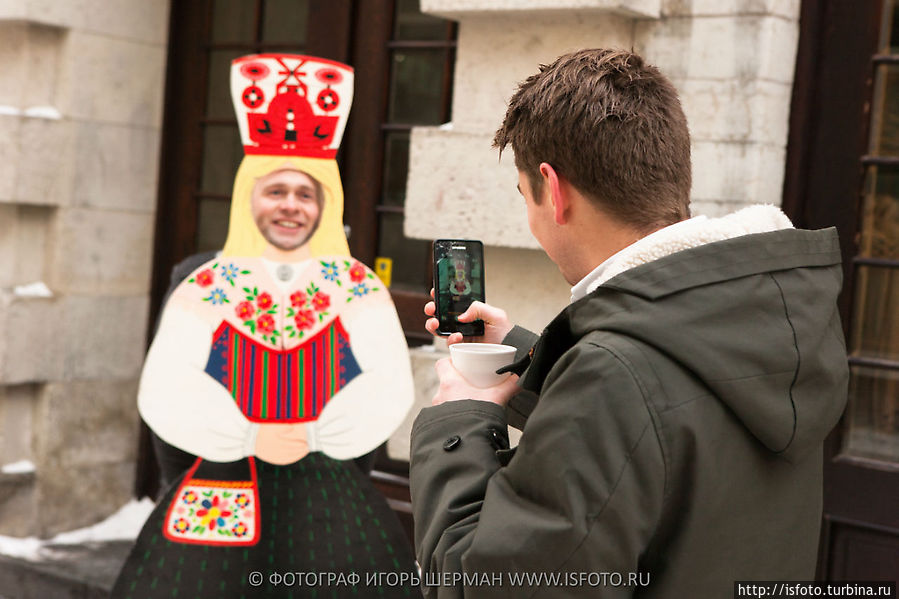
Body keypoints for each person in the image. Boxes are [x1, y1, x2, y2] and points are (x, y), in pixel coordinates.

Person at [410, 48, 849, 598]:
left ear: (555, 189)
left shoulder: (612, 374)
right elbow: (662, 425)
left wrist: (458, 424)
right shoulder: (764, 317)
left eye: (526, 196)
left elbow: (483, 585)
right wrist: (527, 355)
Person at [112, 54, 418, 598]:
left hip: (328, 494)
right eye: (275, 191)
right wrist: (248, 435)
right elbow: (167, 386)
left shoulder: (357, 286)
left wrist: (318, 434)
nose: (290, 206)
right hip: (219, 488)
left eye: (305, 194)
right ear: (247, 196)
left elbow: (387, 386)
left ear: (326, 205)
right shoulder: (206, 284)